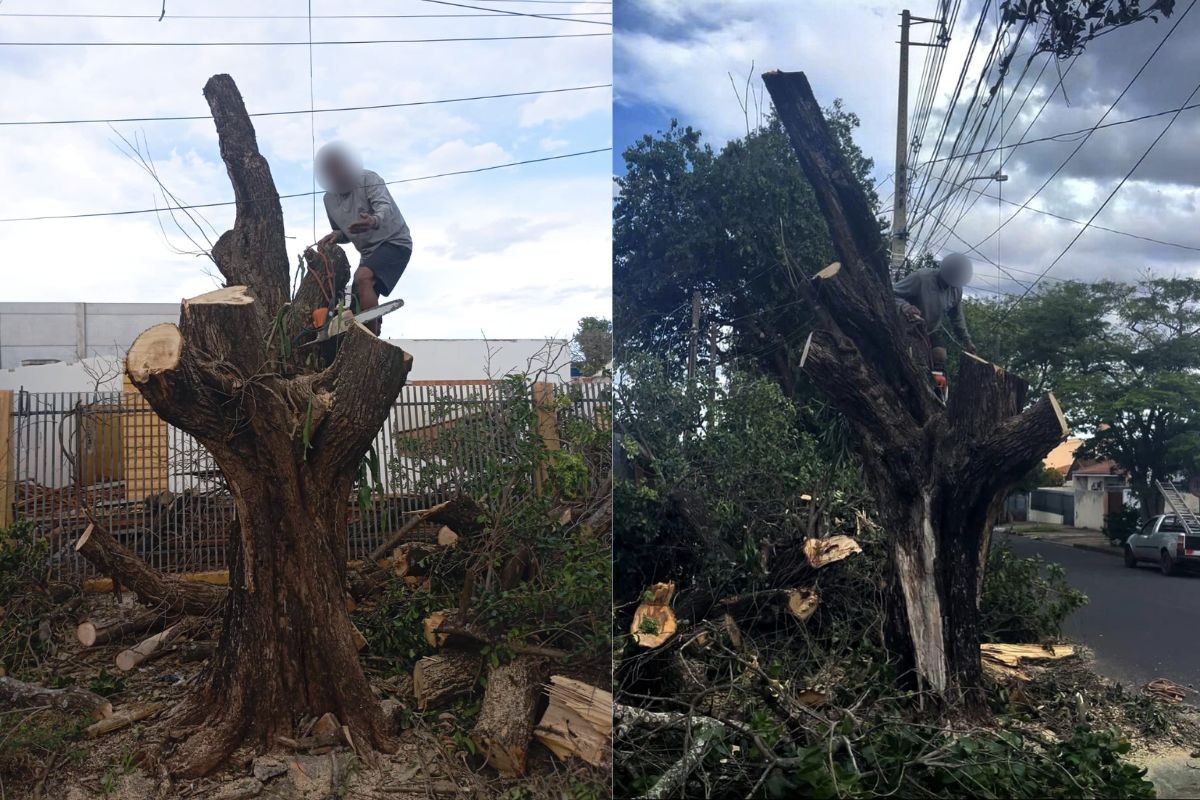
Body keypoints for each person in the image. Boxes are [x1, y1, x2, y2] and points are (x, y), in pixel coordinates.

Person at [316, 142, 412, 332]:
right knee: (355, 302)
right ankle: (371, 337)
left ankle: (370, 338)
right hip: (368, 254)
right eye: (331, 171)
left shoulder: (369, 179)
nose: (337, 174)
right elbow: (344, 232)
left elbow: (384, 207)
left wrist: (373, 220)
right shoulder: (329, 200)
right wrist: (335, 236)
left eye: (339, 168)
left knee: (363, 277)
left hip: (394, 242)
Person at [893, 252, 977, 356]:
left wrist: (967, 341)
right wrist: (905, 307)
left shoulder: (956, 290)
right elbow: (892, 294)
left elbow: (957, 317)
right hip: (908, 327)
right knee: (911, 355)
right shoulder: (921, 278)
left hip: (930, 330)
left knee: (940, 354)